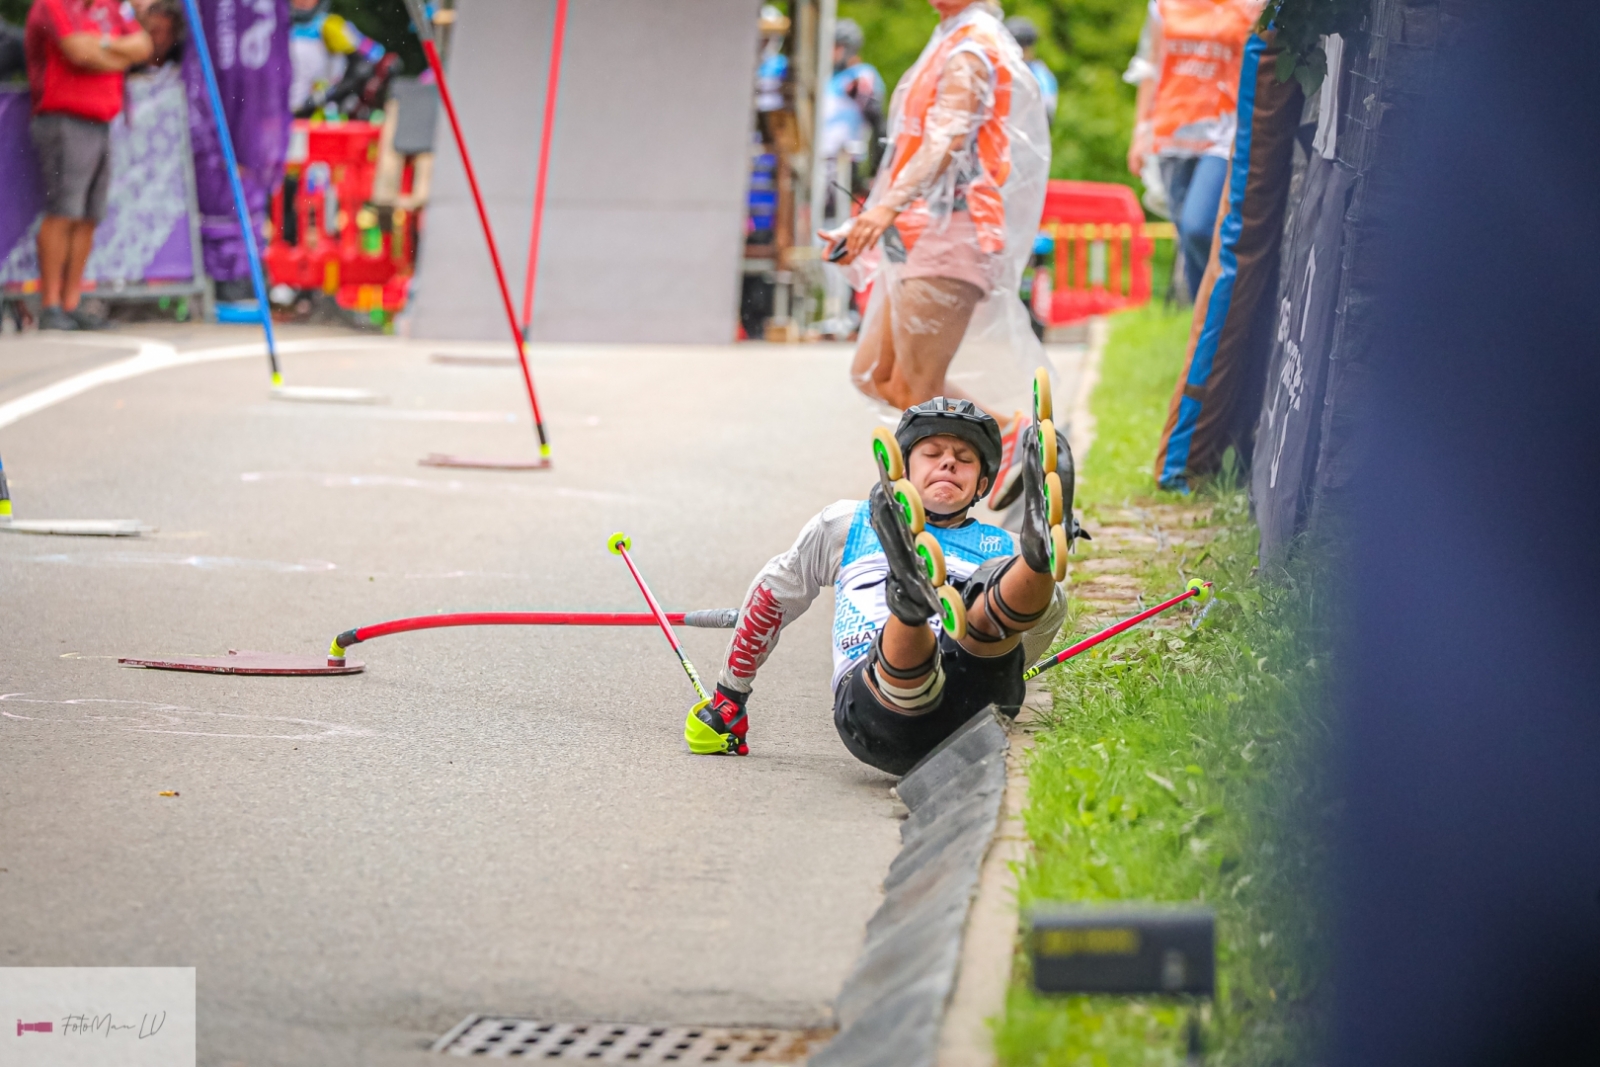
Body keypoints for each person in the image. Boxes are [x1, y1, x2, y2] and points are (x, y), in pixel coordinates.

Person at [691, 397, 1080, 774]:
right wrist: (730, 694)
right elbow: (772, 597)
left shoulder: (1006, 549)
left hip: (972, 707)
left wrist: (1002, 665)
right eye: (932, 453)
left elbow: (1045, 616)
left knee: (990, 595)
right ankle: (911, 601)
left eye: (964, 459)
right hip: (876, 711)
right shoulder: (845, 523)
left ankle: (1036, 553)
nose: (948, 461)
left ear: (981, 485)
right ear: (904, 471)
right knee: (930, 650)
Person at [823, 0, 1053, 514]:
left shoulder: (972, 46)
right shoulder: (951, 37)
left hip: (954, 230)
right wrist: (863, 223)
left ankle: (931, 525)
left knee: (918, 388)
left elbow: (944, 141)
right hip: (922, 230)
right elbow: (910, 149)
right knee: (877, 375)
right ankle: (1012, 434)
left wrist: (880, 212)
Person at [23, 0, 152, 330]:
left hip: (102, 119)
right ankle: (50, 303)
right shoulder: (53, 5)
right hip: (64, 118)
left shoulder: (113, 6)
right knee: (64, 210)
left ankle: (71, 301)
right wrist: (117, 56)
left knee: (89, 215)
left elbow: (144, 46)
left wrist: (103, 46)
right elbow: (77, 51)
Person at [1124, 0, 1264, 300]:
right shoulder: (1164, 5)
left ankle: (1220, 310)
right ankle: (1202, 331)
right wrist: (1140, 132)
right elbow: (1151, 67)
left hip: (1223, 132)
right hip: (1172, 132)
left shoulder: (1249, 5)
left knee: (1197, 227)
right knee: (1186, 236)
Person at [288, 0, 387, 119]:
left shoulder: (329, 25)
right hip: (282, 116)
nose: (301, 1)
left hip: (324, 117)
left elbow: (370, 60)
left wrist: (326, 97)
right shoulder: (272, 28)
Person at [1004, 15, 1056, 123]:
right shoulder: (1000, 69)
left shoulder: (1039, 72)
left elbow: (1047, 110)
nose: (1023, 51)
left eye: (1027, 44)